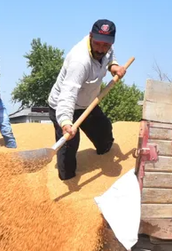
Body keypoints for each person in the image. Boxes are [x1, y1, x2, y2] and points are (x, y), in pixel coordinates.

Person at [47, 19, 127, 180]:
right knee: (69, 146)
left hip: (88, 104)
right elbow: (68, 94)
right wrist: (65, 122)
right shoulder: (79, 61)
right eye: (97, 44)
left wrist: (114, 67)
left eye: (106, 45)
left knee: (104, 133)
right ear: (91, 36)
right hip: (63, 106)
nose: (101, 49)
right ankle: (67, 180)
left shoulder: (107, 48)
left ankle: (103, 155)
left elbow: (110, 58)